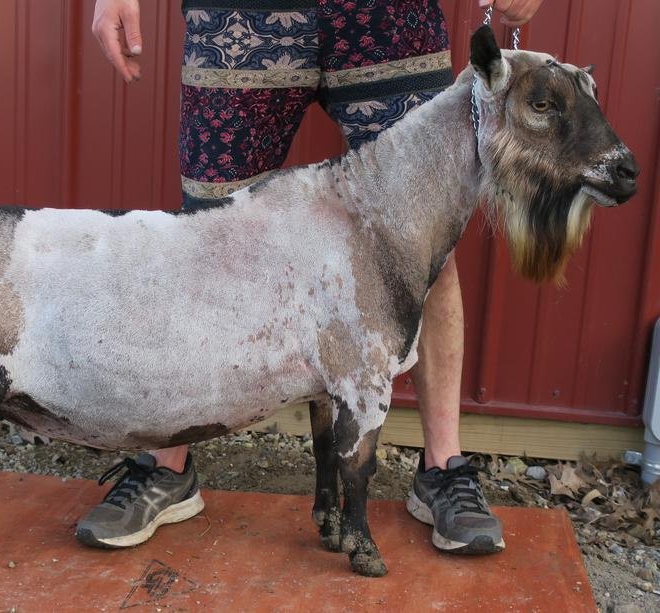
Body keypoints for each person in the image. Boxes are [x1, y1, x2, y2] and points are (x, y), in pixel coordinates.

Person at [76, 0, 543, 553]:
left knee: (424, 250)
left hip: (388, 20)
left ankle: (443, 466)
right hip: (242, 19)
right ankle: (168, 462)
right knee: (204, 245)